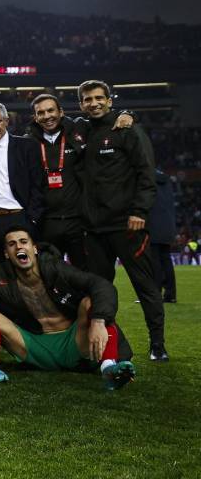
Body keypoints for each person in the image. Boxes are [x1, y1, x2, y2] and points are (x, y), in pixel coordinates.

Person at [0, 227, 136, 390]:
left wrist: (98, 320)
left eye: (24, 242)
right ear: (6, 253)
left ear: (34, 248)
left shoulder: (55, 267)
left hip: (75, 344)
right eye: (12, 244)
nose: (19, 247)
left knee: (91, 303)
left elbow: (101, 285)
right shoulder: (0, 275)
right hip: (34, 347)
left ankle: (109, 367)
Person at [78, 80, 166, 360]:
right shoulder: (81, 131)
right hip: (93, 229)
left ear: (109, 100)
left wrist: (139, 212)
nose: (94, 103)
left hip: (127, 226)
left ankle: (157, 345)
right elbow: (48, 123)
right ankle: (106, 345)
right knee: (100, 291)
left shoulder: (128, 129)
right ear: (81, 104)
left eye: (98, 98)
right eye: (87, 99)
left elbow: (146, 174)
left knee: (146, 286)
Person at [0, 102, 44, 268]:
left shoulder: (26, 146)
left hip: (18, 218)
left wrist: (32, 219)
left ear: (6, 121)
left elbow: (38, 184)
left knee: (24, 272)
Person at [26, 94, 89, 268]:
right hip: (46, 223)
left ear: (61, 112)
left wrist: (128, 114)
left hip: (77, 221)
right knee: (51, 276)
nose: (47, 116)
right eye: (41, 113)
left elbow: (104, 123)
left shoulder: (78, 131)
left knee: (85, 272)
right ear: (35, 117)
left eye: (51, 110)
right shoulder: (28, 143)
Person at [149, 170, 178, 304]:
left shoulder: (147, 177)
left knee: (154, 261)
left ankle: (155, 294)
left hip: (154, 225)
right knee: (166, 260)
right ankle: (171, 295)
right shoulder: (166, 180)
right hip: (168, 225)